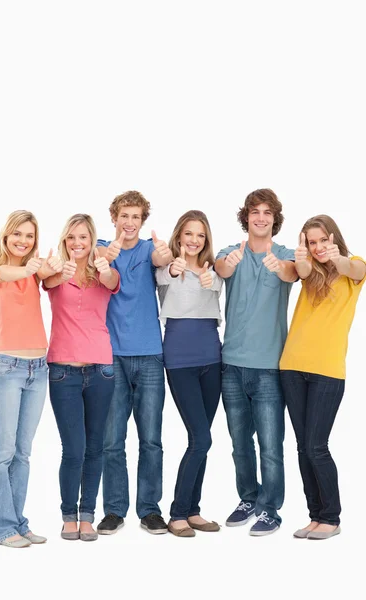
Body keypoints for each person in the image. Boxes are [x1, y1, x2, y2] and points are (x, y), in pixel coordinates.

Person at [0, 210, 63, 547]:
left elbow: (50, 279)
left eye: (29, 236)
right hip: (5, 370)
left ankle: (18, 522)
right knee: (2, 451)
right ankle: (0, 528)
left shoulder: (34, 273)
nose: (23, 241)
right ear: (6, 236)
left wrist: (53, 270)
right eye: (18, 235)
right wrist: (28, 269)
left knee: (22, 452)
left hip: (38, 370)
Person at [214, 188, 297, 536]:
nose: (260, 217)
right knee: (238, 443)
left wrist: (284, 269)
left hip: (269, 367)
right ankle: (248, 498)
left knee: (270, 444)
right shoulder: (230, 252)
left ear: (274, 219)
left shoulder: (285, 255)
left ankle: (271, 509)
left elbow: (295, 272)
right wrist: (225, 265)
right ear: (245, 216)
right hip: (231, 364)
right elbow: (218, 267)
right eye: (254, 212)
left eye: (267, 212)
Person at [280, 215, 366, 540]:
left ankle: (331, 516)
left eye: (321, 241)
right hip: (291, 366)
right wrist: (302, 261)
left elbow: (353, 268)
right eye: (310, 242)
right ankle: (315, 516)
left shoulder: (352, 268)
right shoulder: (309, 272)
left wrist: (337, 257)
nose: (317, 248)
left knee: (317, 446)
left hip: (327, 371)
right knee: (303, 447)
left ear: (333, 238)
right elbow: (299, 271)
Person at [95, 190, 173, 535]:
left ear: (143, 221)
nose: (129, 222)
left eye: (136, 217)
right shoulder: (100, 247)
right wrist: (106, 255)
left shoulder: (147, 250)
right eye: (124, 216)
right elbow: (97, 259)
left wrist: (165, 252)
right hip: (111, 355)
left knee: (151, 439)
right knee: (112, 440)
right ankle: (114, 510)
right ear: (114, 217)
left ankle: (150, 509)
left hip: (151, 356)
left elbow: (161, 259)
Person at [44, 214, 120, 541]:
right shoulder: (57, 274)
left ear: (92, 242)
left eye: (84, 238)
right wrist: (53, 269)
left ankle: (88, 514)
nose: (77, 243)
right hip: (63, 371)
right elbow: (45, 281)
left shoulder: (103, 272)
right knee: (73, 448)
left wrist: (104, 267)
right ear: (65, 240)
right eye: (72, 238)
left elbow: (113, 282)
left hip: (101, 369)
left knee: (95, 447)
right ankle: (67, 515)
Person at [156, 210, 223, 537]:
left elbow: (218, 285)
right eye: (189, 234)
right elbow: (163, 276)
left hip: (212, 359)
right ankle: (178, 513)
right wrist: (172, 266)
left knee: (202, 440)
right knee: (202, 438)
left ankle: (193, 510)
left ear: (206, 239)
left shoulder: (214, 273)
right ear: (179, 237)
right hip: (180, 360)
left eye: (200, 235)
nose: (194, 240)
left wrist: (213, 281)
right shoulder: (168, 269)